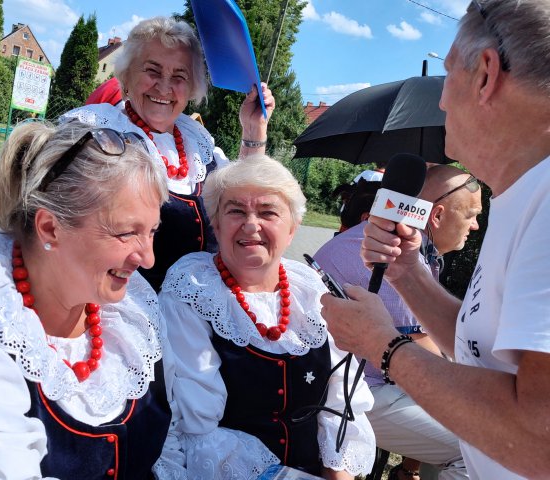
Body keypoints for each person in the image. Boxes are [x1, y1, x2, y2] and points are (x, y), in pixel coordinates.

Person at [320, 1, 550, 478]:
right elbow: (485, 355)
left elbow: (539, 438)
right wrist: (408, 275)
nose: (442, 102)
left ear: (485, 73)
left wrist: (383, 346)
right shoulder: (521, 194)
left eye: (447, 75)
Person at [0, 121, 186, 479]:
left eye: (151, 231)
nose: (147, 258)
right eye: (126, 233)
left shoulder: (129, 310)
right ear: (49, 228)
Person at [158, 155, 376, 480]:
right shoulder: (193, 290)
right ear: (216, 224)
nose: (250, 224)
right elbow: (197, 428)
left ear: (292, 228)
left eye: (267, 212)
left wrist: (335, 471)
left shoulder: (310, 290)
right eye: (235, 211)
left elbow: (342, 398)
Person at [62, 16, 275, 291]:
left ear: (192, 87)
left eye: (179, 76)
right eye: (152, 71)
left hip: (195, 311)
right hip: (121, 308)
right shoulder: (97, 131)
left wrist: (253, 129)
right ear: (126, 76)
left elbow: (245, 199)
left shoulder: (198, 141)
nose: (164, 87)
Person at [316, 166, 483, 480]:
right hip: (351, 392)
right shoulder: (394, 249)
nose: (475, 226)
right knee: (480, 448)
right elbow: (426, 355)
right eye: (471, 214)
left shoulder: (409, 246)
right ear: (437, 215)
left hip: (366, 382)